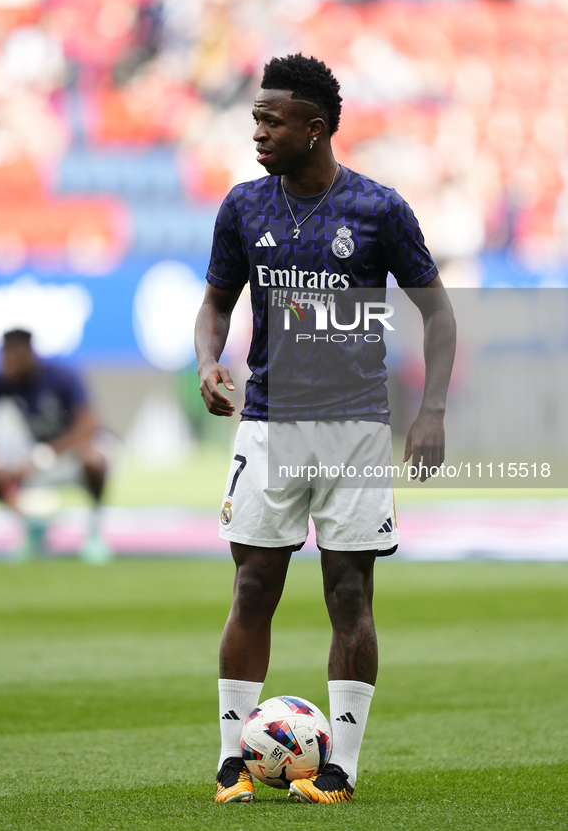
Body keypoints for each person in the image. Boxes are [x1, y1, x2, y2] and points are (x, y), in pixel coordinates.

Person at [195, 54, 456, 804]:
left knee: (349, 592)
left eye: (271, 121)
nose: (257, 133)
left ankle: (338, 768)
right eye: (254, 119)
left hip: (354, 430)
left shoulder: (378, 209)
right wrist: (210, 359)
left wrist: (430, 408)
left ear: (315, 128)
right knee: (252, 584)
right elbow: (214, 303)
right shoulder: (243, 208)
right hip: (270, 426)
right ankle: (231, 761)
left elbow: (437, 314)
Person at [0, 328, 112, 562]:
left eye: (12, 358)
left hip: (71, 455)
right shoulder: (3, 380)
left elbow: (88, 427)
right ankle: (33, 524)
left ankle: (94, 531)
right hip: (35, 458)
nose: (7, 365)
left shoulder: (61, 376)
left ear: (28, 354)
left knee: (94, 459)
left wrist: (42, 457)